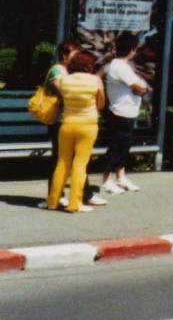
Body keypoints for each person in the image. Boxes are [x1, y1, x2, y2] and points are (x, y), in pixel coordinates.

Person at [46, 50, 106, 212]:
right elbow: (100, 104)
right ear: (89, 66)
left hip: (67, 124)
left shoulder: (65, 81)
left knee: (62, 162)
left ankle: (53, 201)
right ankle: (75, 203)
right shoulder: (95, 80)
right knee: (80, 164)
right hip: (88, 125)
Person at [100, 32, 150, 195]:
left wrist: (139, 88)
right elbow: (140, 87)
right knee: (116, 146)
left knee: (124, 146)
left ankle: (120, 176)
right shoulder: (119, 66)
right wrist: (139, 88)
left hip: (128, 111)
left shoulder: (122, 65)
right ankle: (106, 180)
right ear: (132, 49)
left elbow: (139, 87)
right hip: (120, 111)